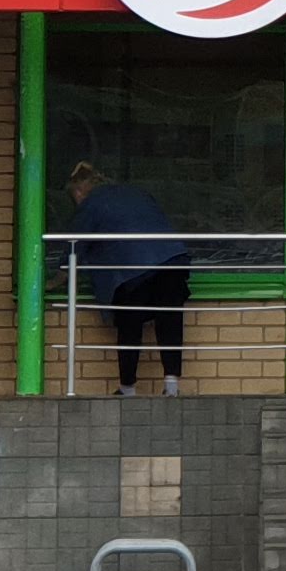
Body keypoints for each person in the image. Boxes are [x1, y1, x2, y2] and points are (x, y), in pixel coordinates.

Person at [67, 159, 194, 395]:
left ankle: (127, 388)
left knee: (129, 323)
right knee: (169, 319)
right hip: (172, 259)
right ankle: (171, 387)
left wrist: (55, 279)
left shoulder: (92, 202)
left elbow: (75, 245)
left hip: (132, 267)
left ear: (79, 191)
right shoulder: (135, 192)